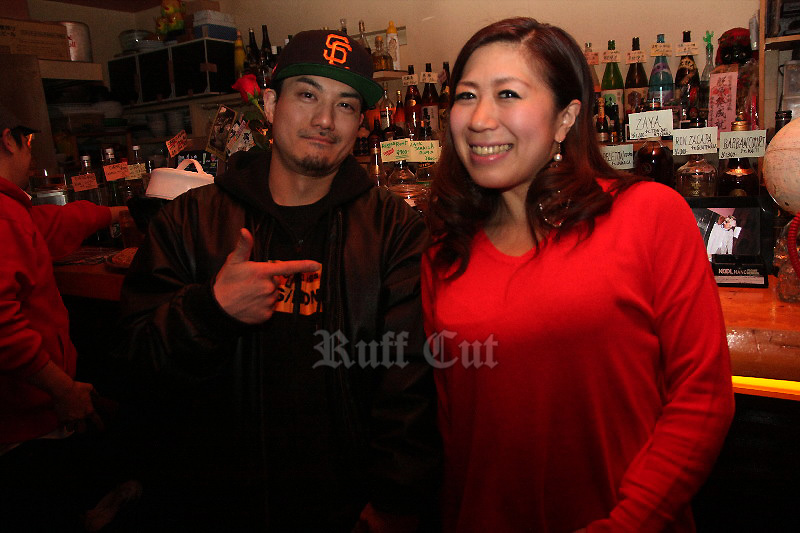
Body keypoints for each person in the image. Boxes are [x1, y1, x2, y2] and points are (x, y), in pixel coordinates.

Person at [422, 17, 735, 532]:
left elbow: (702, 398)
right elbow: (455, 427)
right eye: (465, 96)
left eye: (507, 94)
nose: (478, 118)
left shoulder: (648, 215)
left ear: (566, 118)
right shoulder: (446, 251)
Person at [119, 29, 439, 531]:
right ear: (269, 105)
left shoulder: (394, 230)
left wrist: (394, 502)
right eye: (307, 95)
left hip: (347, 508)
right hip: (212, 504)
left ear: (361, 123)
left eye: (346, 105)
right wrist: (210, 311)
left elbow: (410, 382)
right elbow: (134, 366)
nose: (325, 120)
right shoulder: (191, 221)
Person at [0, 105, 134, 530]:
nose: (31, 154)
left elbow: (46, 224)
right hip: (23, 420)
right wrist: (62, 388)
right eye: (28, 142)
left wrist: (115, 213)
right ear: (8, 140)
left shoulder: (12, 211)